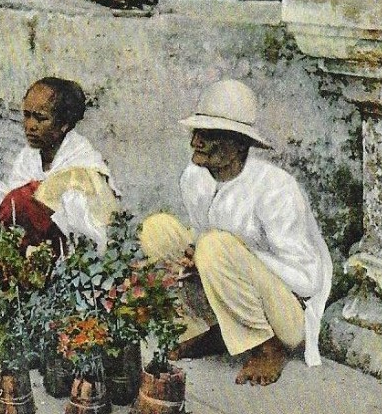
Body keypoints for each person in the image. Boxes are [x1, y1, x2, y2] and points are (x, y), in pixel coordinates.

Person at [139, 79, 332, 386]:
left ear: (239, 144)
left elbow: (309, 281)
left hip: (286, 316)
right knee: (157, 230)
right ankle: (215, 331)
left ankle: (267, 347)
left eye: (210, 135)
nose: (195, 143)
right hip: (228, 281)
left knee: (215, 246)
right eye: (196, 133)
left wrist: (239, 253)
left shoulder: (275, 188)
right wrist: (194, 256)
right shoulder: (194, 178)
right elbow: (203, 236)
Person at [0, 77, 118, 282]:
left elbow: (88, 228)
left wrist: (32, 205)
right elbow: (12, 197)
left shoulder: (82, 164)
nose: (30, 126)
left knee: (20, 201)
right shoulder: (30, 154)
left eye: (40, 118)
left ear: (64, 125)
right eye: (27, 115)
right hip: (30, 243)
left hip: (67, 250)